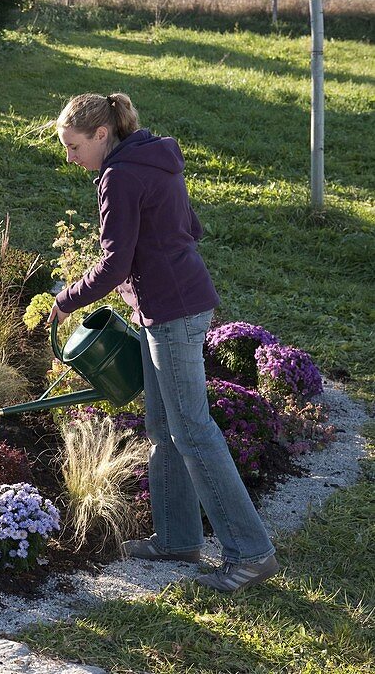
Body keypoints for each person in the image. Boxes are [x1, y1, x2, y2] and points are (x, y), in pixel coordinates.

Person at [46, 92, 279, 593]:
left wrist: (66, 300)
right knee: (164, 426)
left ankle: (251, 553)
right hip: (178, 300)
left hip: (171, 313)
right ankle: (177, 539)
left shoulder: (119, 176)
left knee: (192, 429)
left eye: (73, 145)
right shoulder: (156, 156)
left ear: (101, 134)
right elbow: (189, 226)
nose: (69, 156)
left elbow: (114, 263)